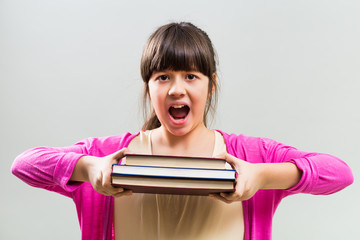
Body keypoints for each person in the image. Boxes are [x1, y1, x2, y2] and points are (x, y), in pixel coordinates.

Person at [11, 22, 353, 240]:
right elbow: (24, 164)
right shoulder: (111, 154)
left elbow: (340, 173)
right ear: (149, 88)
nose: (177, 89)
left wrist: (262, 176)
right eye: (163, 77)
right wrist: (88, 167)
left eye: (190, 76)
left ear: (211, 85)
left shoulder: (251, 157)